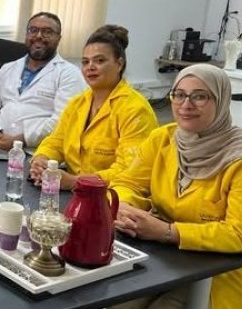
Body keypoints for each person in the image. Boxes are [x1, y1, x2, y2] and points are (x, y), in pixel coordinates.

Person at [108, 64, 242, 309]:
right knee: (120, 301)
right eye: (179, 94)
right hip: (166, 260)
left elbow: (241, 234)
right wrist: (126, 207)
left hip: (220, 274)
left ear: (221, 101)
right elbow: (125, 182)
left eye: (200, 96)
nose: (186, 104)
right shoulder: (164, 138)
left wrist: (168, 232)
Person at [29, 25, 157, 189]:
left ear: (119, 64)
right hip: (74, 193)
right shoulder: (77, 103)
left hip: (113, 196)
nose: (90, 67)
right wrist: (42, 159)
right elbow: (56, 141)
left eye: (100, 61)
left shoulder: (135, 109)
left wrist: (75, 182)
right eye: (85, 62)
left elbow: (130, 171)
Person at [0, 12, 85, 150]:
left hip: (38, 153)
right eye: (33, 30)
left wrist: (22, 139)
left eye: (47, 32)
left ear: (59, 38)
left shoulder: (69, 74)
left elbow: (64, 120)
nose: (38, 36)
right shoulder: (8, 68)